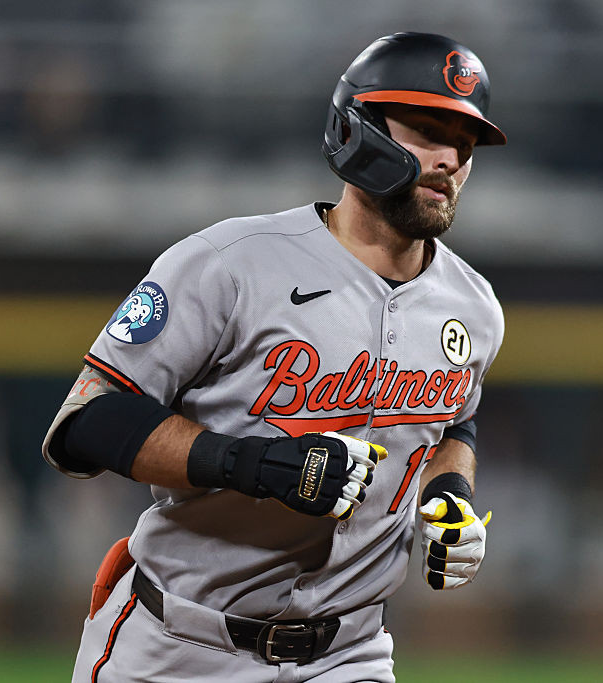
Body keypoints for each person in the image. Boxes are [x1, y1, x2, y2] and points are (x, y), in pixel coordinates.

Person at [42, 31, 506, 682]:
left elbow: (452, 424)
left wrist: (452, 494)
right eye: (429, 130)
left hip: (350, 653)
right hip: (183, 645)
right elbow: (86, 421)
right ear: (358, 130)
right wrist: (248, 462)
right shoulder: (231, 264)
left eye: (466, 143)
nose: (451, 158)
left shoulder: (474, 306)